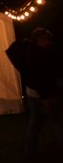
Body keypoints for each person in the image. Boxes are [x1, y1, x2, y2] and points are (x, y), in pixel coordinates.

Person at [22, 28, 63, 157]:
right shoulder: (37, 55)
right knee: (56, 120)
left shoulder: (34, 51)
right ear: (40, 40)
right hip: (40, 93)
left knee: (36, 121)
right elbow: (39, 78)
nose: (49, 42)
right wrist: (45, 97)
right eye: (46, 40)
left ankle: (30, 148)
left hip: (34, 92)